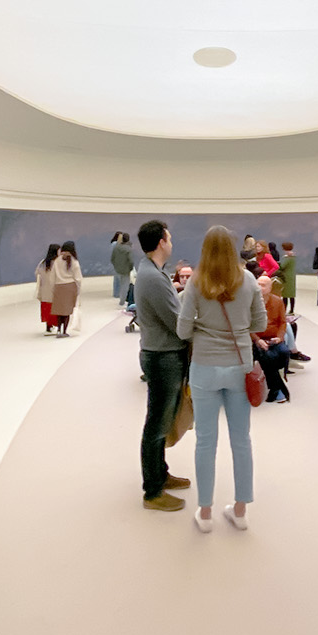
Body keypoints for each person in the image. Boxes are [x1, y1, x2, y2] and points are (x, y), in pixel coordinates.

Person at [177, 225, 266, 533]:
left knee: (205, 440)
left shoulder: (196, 282)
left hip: (204, 366)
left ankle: (205, 512)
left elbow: (182, 331)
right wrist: (238, 328)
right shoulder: (249, 280)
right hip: (240, 365)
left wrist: (204, 329)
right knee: (241, 439)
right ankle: (240, 510)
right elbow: (260, 322)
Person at [134, 219, 192, 512]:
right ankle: (153, 491)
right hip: (163, 357)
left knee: (162, 419)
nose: (171, 243)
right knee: (157, 423)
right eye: (169, 238)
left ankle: (160, 473)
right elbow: (176, 322)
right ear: (161, 242)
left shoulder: (151, 272)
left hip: (162, 354)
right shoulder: (153, 278)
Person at [252, 273, 292, 404]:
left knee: (284, 352)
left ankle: (276, 388)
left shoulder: (277, 301)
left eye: (263, 285)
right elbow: (246, 326)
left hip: (274, 338)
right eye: (258, 284)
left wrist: (279, 337)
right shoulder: (250, 302)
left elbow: (282, 322)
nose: (260, 287)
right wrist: (257, 340)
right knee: (267, 356)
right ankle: (277, 389)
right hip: (256, 339)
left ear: (270, 288)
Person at [49, 240, 83, 337]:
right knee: (67, 311)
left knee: (59, 311)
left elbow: (52, 276)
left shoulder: (57, 261)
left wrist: (53, 287)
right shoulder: (74, 262)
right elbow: (78, 278)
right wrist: (78, 289)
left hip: (58, 286)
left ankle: (59, 330)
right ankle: (64, 331)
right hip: (70, 287)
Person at [34, 243, 60, 335]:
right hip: (55, 289)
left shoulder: (43, 263)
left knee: (47, 308)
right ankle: (57, 326)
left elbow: (37, 273)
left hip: (44, 290)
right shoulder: (57, 263)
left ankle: (48, 327)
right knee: (56, 308)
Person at [110, 231, 135, 302]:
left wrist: (115, 265)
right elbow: (131, 261)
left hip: (117, 268)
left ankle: (116, 294)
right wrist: (130, 268)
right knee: (125, 285)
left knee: (117, 281)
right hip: (125, 269)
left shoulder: (116, 247)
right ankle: (122, 300)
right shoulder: (128, 249)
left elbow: (112, 258)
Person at [275, 242, 298, 313]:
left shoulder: (287, 257)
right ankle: (292, 310)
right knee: (291, 295)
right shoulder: (293, 257)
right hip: (292, 277)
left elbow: (282, 266)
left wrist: (277, 264)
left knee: (285, 295)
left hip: (286, 277)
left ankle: (284, 310)